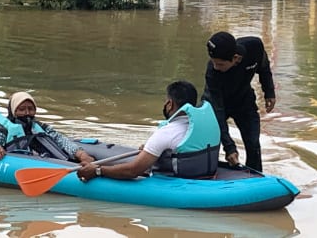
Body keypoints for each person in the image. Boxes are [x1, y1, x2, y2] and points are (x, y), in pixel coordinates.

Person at [77, 80, 220, 182]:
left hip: (175, 182)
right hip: (205, 174)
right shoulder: (208, 125)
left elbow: (133, 171)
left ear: (170, 104)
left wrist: (98, 170)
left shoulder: (167, 132)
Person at [203, 31, 276, 172]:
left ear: (235, 58)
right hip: (217, 103)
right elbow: (218, 111)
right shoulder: (212, 72)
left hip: (243, 100)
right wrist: (229, 147)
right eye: (213, 62)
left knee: (253, 144)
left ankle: (255, 176)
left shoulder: (254, 47)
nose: (216, 67)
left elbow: (264, 66)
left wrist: (269, 92)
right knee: (209, 140)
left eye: (220, 64)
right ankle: (207, 172)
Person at [0, 91, 96, 163]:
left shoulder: (41, 128)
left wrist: (81, 154)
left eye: (30, 109)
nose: (27, 113)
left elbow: (62, 140)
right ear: (13, 111)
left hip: (54, 162)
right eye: (22, 109)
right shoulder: (4, 132)